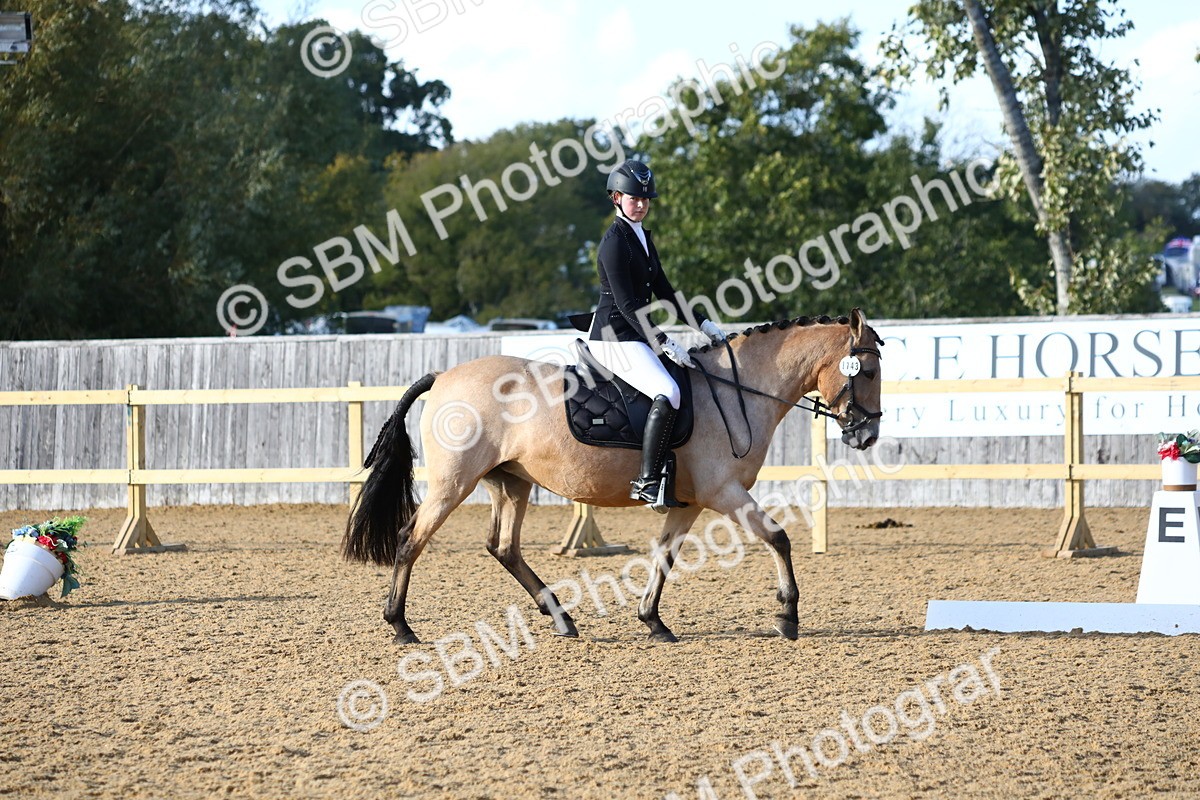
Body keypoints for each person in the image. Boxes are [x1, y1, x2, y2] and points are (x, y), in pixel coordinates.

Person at [581, 159, 727, 509]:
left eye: (646, 199)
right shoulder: (614, 243)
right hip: (612, 337)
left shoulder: (643, 236)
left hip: (632, 334)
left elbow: (667, 293)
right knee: (668, 390)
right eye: (635, 198)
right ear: (617, 198)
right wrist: (662, 340)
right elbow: (629, 304)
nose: (642, 204)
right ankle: (647, 482)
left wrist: (703, 324)